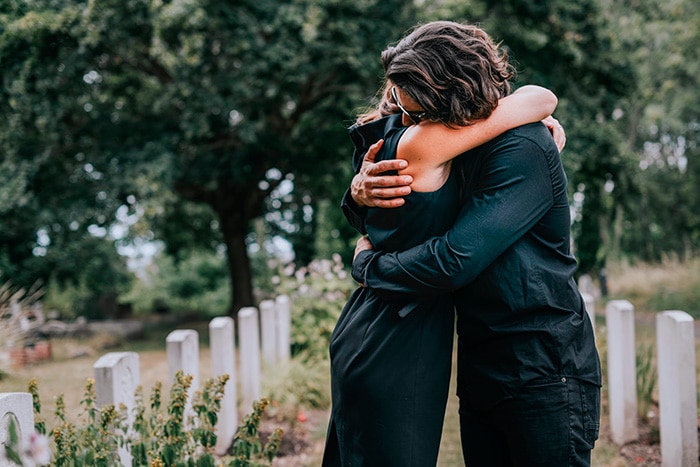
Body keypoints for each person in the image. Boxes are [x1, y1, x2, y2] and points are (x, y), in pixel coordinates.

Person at [347, 23, 602, 467]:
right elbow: (403, 212)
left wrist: (369, 265)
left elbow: (452, 261)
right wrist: (356, 193)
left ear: (452, 91)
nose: (411, 126)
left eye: (419, 113)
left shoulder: (523, 144)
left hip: (544, 368)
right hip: (482, 364)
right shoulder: (459, 145)